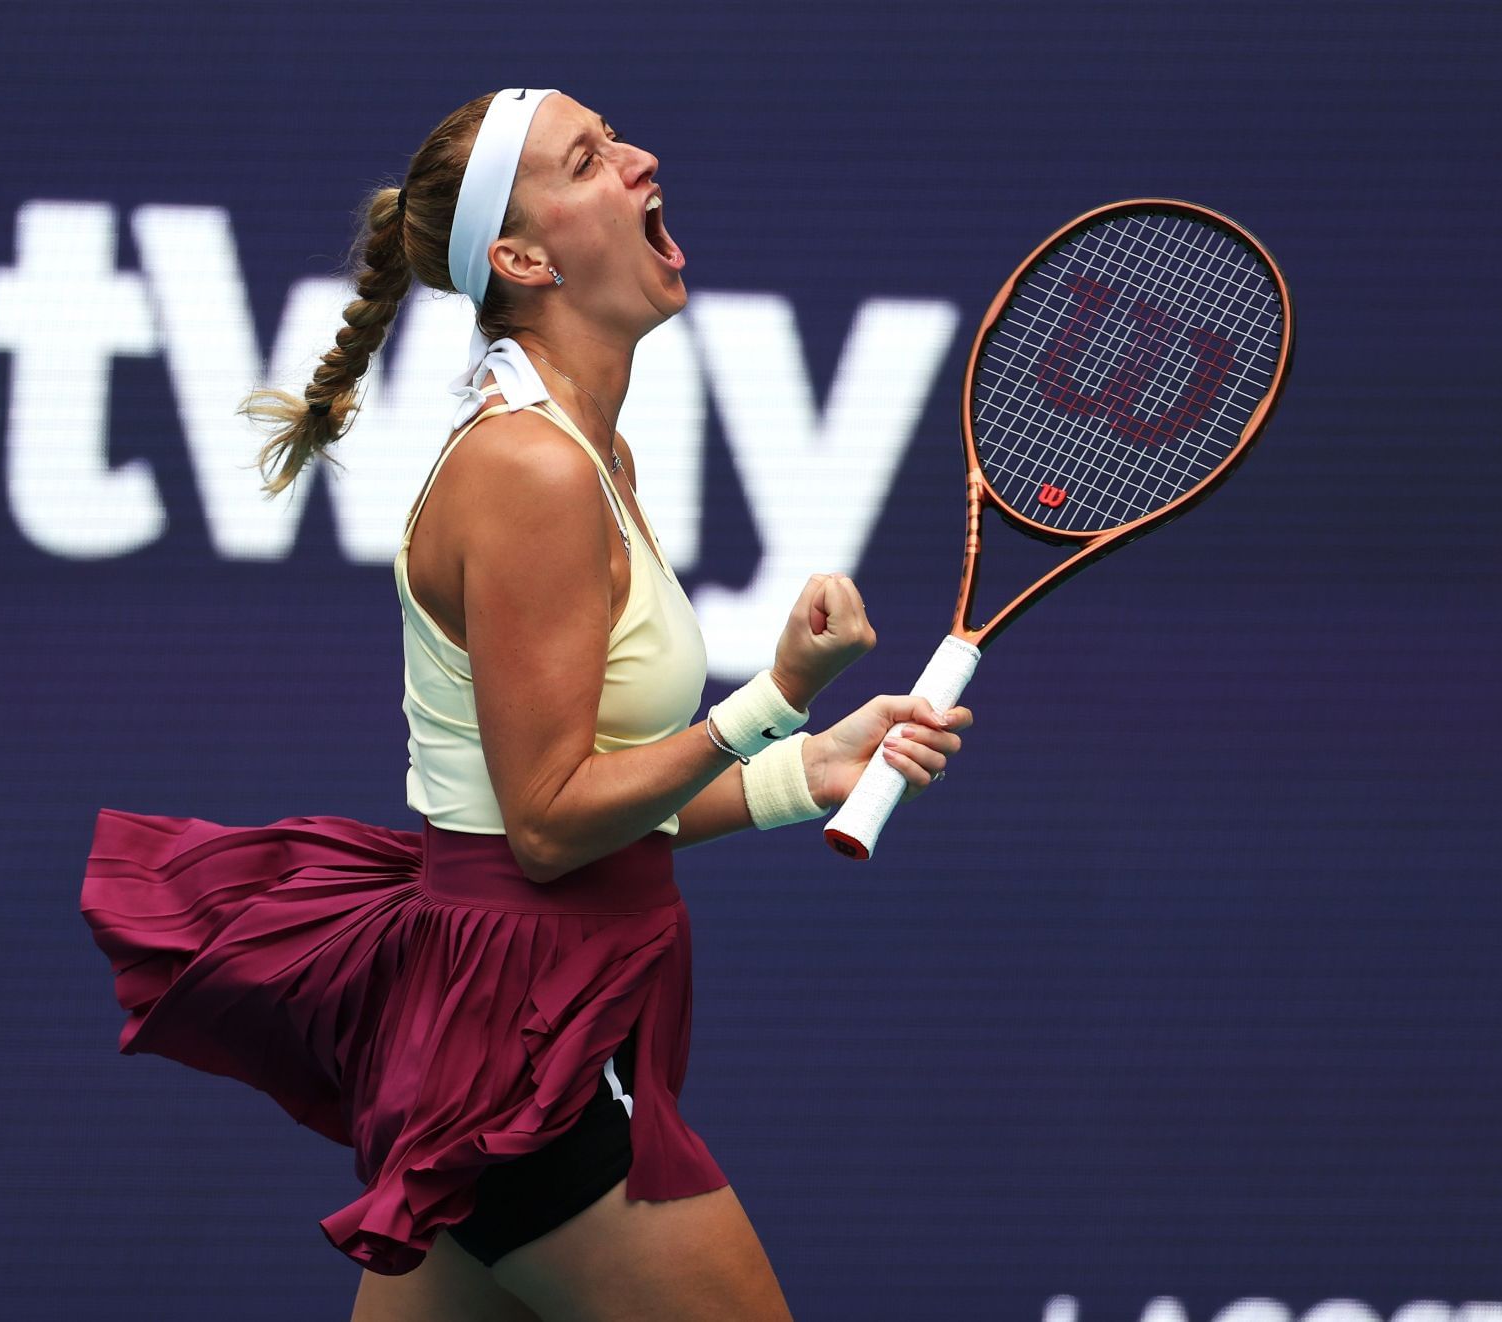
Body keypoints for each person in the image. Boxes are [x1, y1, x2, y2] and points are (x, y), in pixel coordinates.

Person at [80, 88, 972, 1322]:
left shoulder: (591, 452)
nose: (642, 155)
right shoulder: (532, 470)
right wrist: (771, 698)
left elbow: (577, 808)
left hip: (517, 1001)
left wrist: (800, 770)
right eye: (591, 158)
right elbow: (549, 823)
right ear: (522, 257)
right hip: (525, 1036)